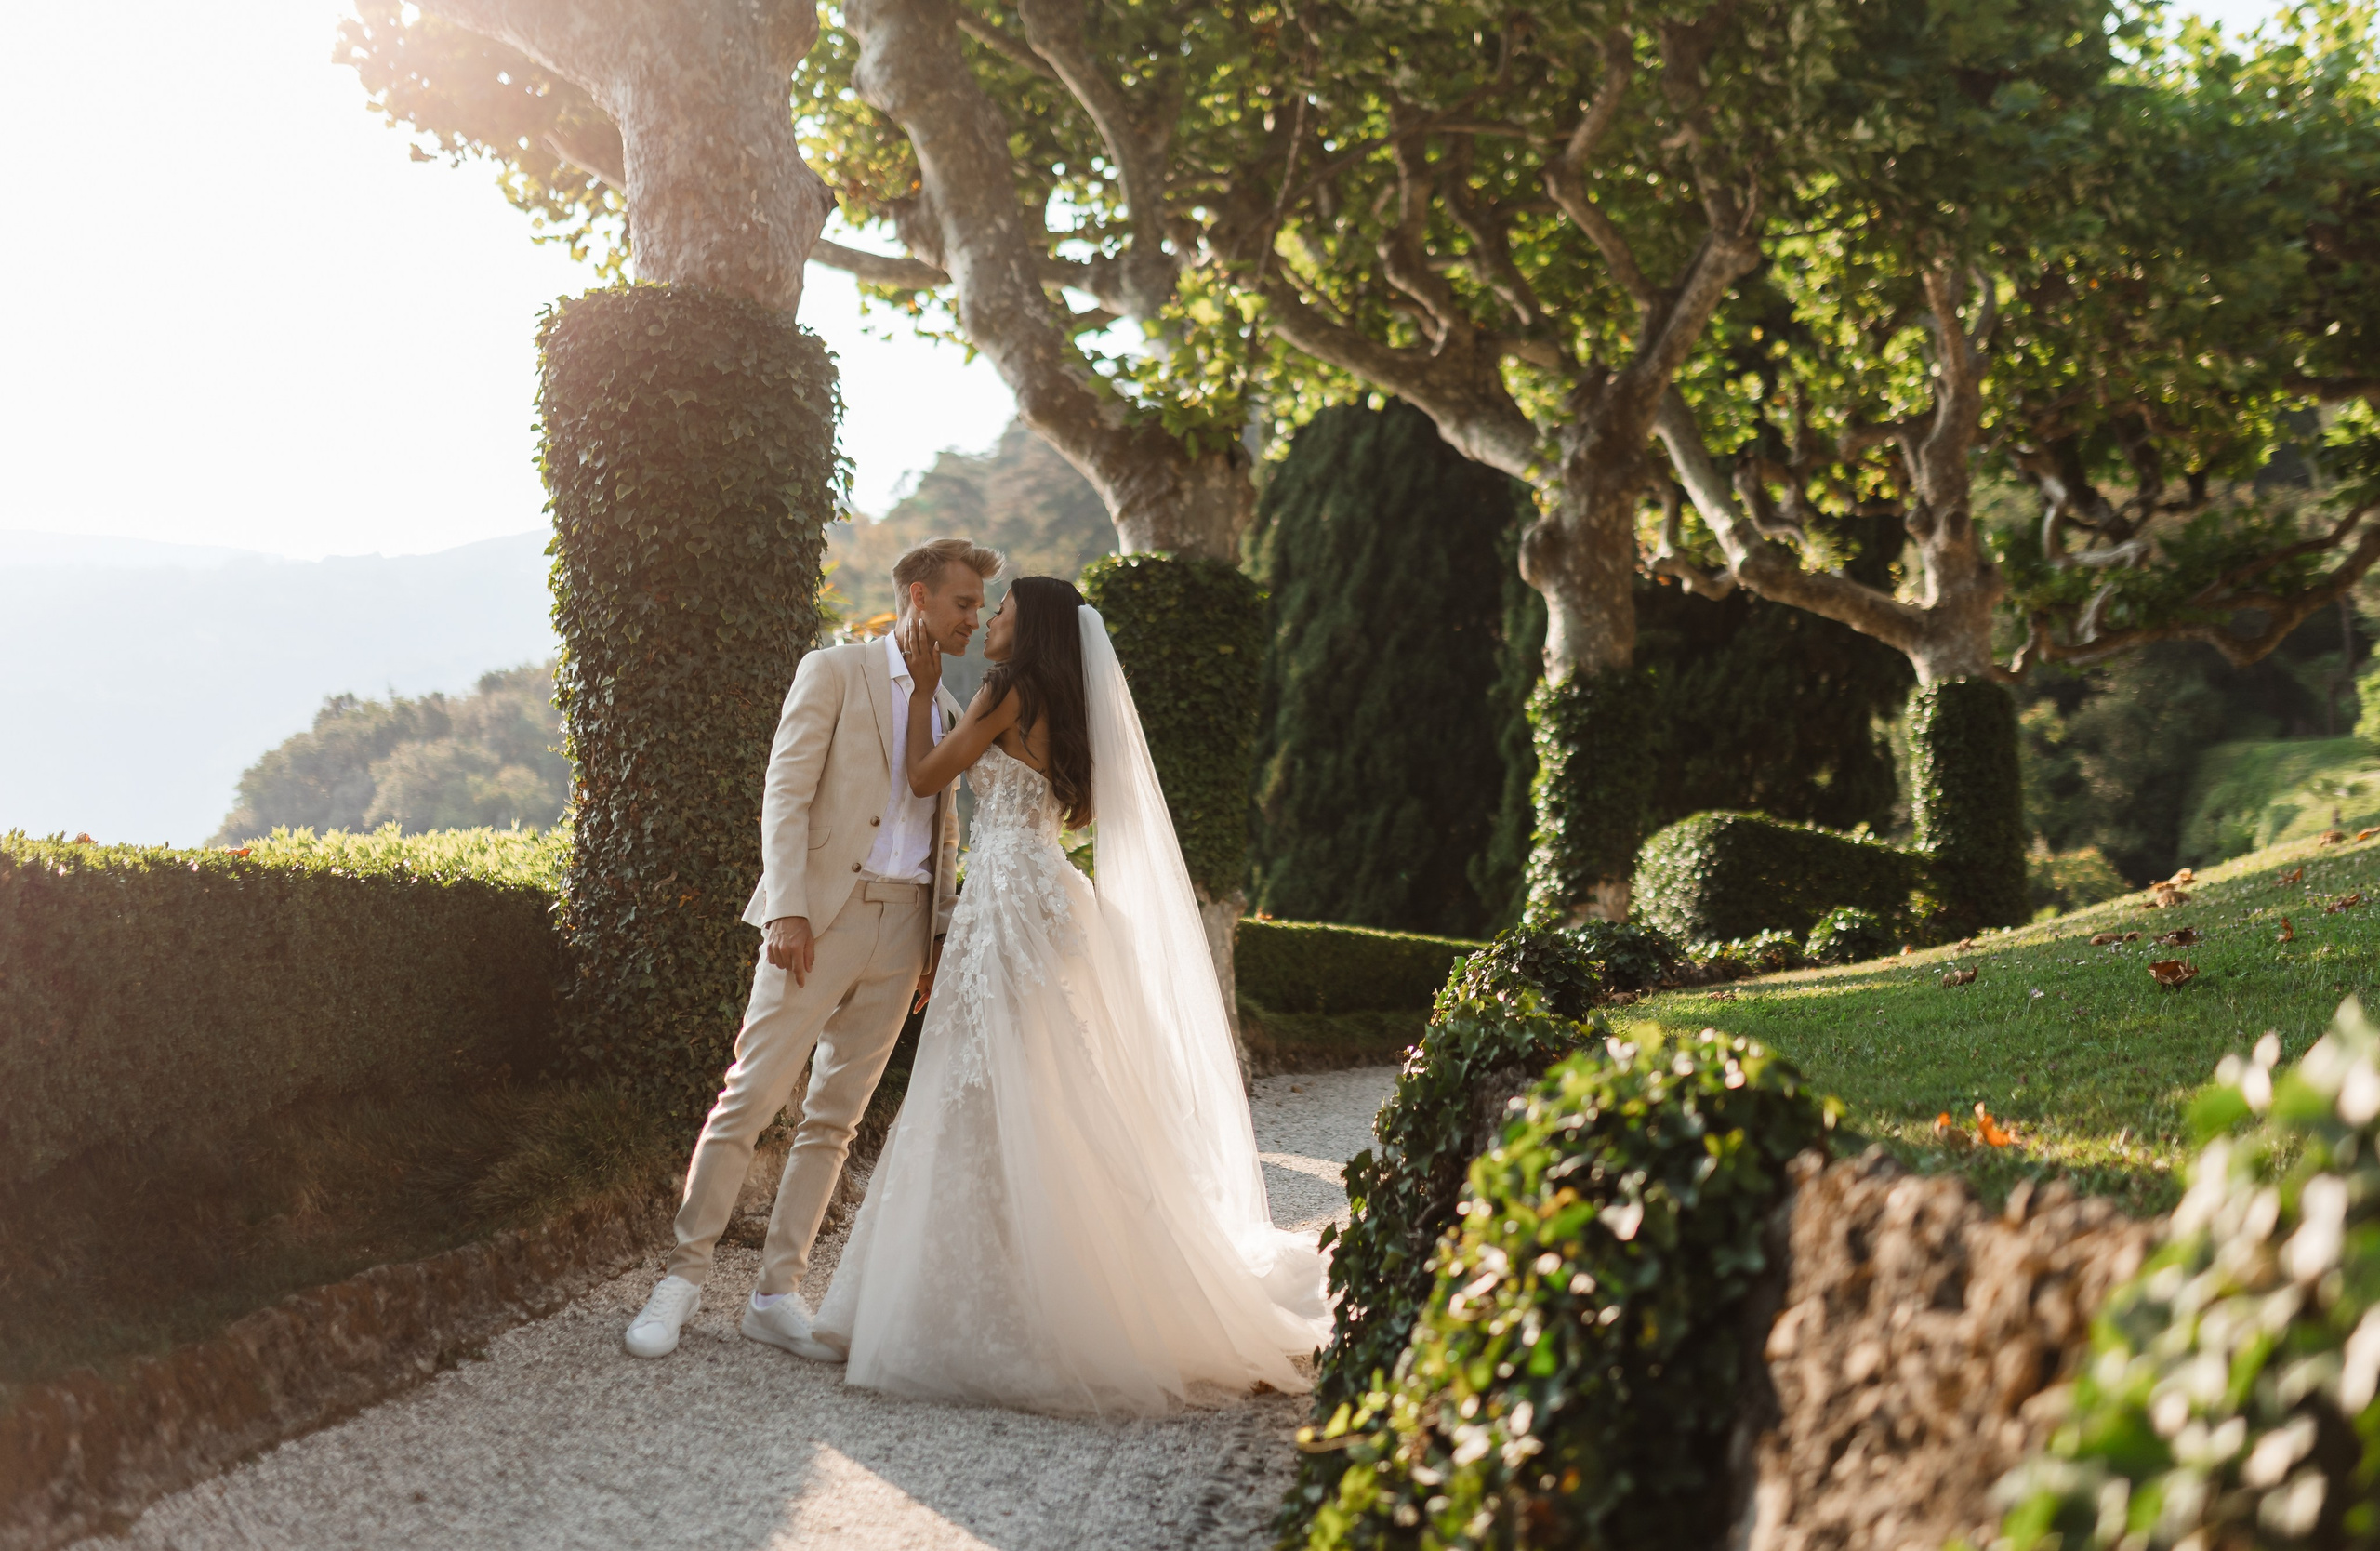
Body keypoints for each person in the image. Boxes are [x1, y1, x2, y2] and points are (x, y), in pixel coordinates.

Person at [799, 575, 1330, 1414]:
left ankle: (984, 1301)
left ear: (1032, 625)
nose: (992, 620)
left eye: (1002, 609)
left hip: (1006, 897)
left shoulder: (1007, 690)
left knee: (983, 1081)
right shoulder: (1069, 708)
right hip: (1048, 892)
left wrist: (925, 696)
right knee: (1041, 1081)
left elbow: (927, 775)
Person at [621, 538, 999, 1360]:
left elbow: (943, 827)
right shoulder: (833, 672)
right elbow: (784, 795)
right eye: (964, 602)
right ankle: (681, 1280)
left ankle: (776, 1293)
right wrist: (786, 911)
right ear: (917, 595)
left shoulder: (941, 707)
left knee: (834, 1118)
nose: (976, 617)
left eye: (979, 605)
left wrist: (932, 934)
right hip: (817, 922)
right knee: (750, 1097)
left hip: (902, 930)